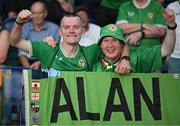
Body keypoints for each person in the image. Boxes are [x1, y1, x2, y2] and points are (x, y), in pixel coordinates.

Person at [9, 10, 131, 74]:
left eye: (76, 27)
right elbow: (15, 41)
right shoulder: (47, 49)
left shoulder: (91, 51)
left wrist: (125, 59)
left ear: (82, 30)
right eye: (66, 27)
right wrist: (19, 22)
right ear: (60, 31)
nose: (71, 31)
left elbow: (120, 44)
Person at [93, 9, 176, 72]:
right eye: (106, 41)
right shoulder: (92, 60)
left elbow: (166, 50)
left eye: (115, 40)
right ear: (100, 45)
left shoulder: (137, 57)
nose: (110, 45)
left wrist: (171, 25)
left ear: (122, 44)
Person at [18, 1, 60, 70]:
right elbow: (21, 53)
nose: (37, 16)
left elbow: (55, 52)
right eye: (34, 13)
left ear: (45, 13)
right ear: (30, 15)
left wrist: (40, 63)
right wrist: (29, 70)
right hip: (27, 63)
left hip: (48, 62)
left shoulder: (55, 28)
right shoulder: (24, 28)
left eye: (39, 13)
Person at [166, 0, 180, 73]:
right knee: (173, 82)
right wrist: (168, 53)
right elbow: (166, 31)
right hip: (174, 56)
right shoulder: (171, 7)